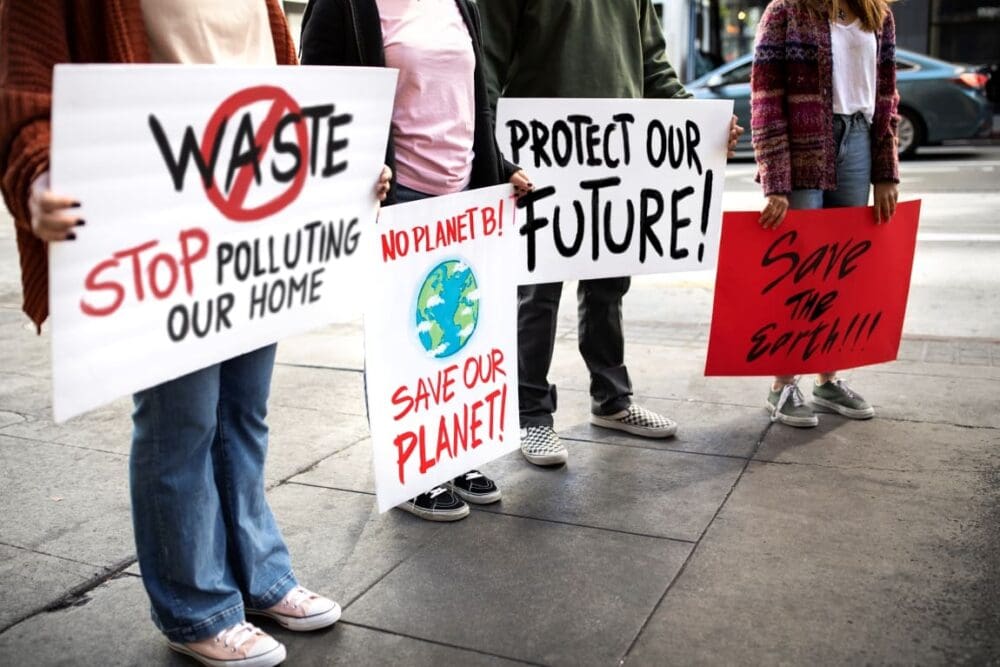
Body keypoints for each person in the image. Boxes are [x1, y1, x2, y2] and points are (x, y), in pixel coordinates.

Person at [0, 2, 389, 665]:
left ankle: (259, 575)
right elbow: (25, 87)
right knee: (179, 421)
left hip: (257, 215)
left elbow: (282, 83)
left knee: (243, 412)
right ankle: (194, 606)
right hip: (161, 217)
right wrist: (37, 173)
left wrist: (340, 166)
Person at [478, 0, 743, 466]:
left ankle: (612, 399)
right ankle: (530, 415)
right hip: (541, 153)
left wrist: (702, 123)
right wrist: (498, 157)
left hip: (618, 154)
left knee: (609, 284)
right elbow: (488, 67)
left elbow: (652, 64)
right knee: (537, 293)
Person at [300, 0, 533, 521]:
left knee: (459, 335)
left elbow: (471, 102)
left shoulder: (459, 2)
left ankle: (454, 454)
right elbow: (317, 98)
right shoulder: (346, 5)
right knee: (402, 339)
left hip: (464, 199)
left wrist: (500, 169)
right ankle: (408, 471)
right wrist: (357, 167)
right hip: (400, 198)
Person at [752, 0, 900, 427]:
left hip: (859, 138)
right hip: (804, 143)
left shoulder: (877, 14)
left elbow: (888, 95)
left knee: (840, 270)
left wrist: (886, 170)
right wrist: (775, 181)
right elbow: (765, 98)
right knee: (799, 272)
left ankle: (828, 380)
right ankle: (782, 385)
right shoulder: (786, 11)